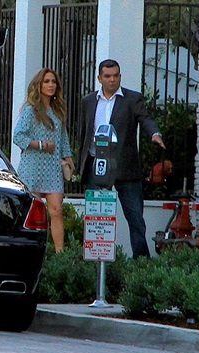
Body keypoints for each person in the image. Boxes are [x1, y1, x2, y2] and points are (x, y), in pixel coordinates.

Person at [78, 59, 166, 259]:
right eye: (107, 76)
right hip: (97, 165)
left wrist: (155, 134)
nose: (112, 80)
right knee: (96, 217)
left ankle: (141, 263)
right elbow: (83, 133)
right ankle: (95, 261)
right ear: (99, 78)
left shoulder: (131, 99)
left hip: (125, 167)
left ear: (120, 76)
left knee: (135, 218)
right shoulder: (88, 101)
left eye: (115, 75)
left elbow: (146, 119)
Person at [13, 68, 75, 253]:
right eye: (46, 81)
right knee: (33, 214)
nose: (50, 85)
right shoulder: (31, 111)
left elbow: (62, 138)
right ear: (38, 85)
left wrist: (69, 158)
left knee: (56, 210)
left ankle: (59, 254)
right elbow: (18, 136)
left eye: (53, 82)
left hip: (53, 168)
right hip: (32, 167)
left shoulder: (57, 110)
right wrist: (41, 145)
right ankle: (33, 251)